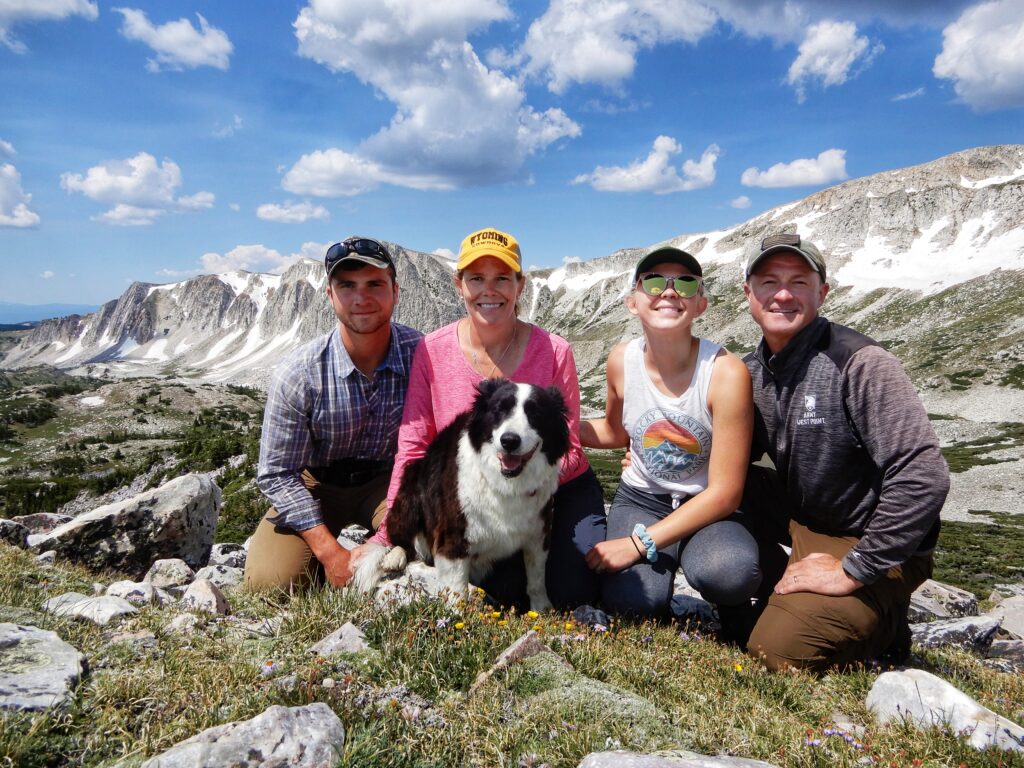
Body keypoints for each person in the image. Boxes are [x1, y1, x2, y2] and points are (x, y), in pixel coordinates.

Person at [347, 227, 607, 610]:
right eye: (476, 279)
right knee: (499, 589)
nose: (490, 290)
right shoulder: (431, 351)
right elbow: (415, 447)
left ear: (520, 285)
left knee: (572, 592)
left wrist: (524, 485)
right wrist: (388, 534)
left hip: (552, 489)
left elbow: (566, 447)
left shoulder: (555, 351)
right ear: (459, 284)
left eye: (502, 278)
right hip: (482, 491)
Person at [741, 232, 950, 671]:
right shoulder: (752, 370)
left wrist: (852, 570)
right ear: (748, 293)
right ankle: (778, 588)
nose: (783, 294)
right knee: (725, 487)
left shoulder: (860, 363)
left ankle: (886, 621)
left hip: (870, 542)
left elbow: (923, 475)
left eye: (799, 282)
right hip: (808, 519)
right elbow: (724, 454)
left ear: (823, 292)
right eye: (769, 281)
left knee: (772, 651)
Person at [580, 246, 763, 626]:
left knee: (730, 573)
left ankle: (731, 612)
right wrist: (554, 428)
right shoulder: (620, 360)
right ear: (633, 302)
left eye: (684, 283)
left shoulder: (726, 372)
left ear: (701, 305)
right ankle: (660, 589)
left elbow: (726, 493)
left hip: (706, 508)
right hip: (642, 498)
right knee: (633, 605)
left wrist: (638, 543)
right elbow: (615, 431)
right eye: (655, 282)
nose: (669, 291)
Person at [244, 237, 421, 591]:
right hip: (316, 484)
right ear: (330, 295)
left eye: (375, 284)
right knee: (270, 585)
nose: (361, 298)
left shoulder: (422, 354)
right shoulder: (299, 372)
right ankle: (334, 570)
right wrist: (330, 554)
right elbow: (277, 473)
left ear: (396, 292)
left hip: (392, 482)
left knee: (427, 545)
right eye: (347, 286)